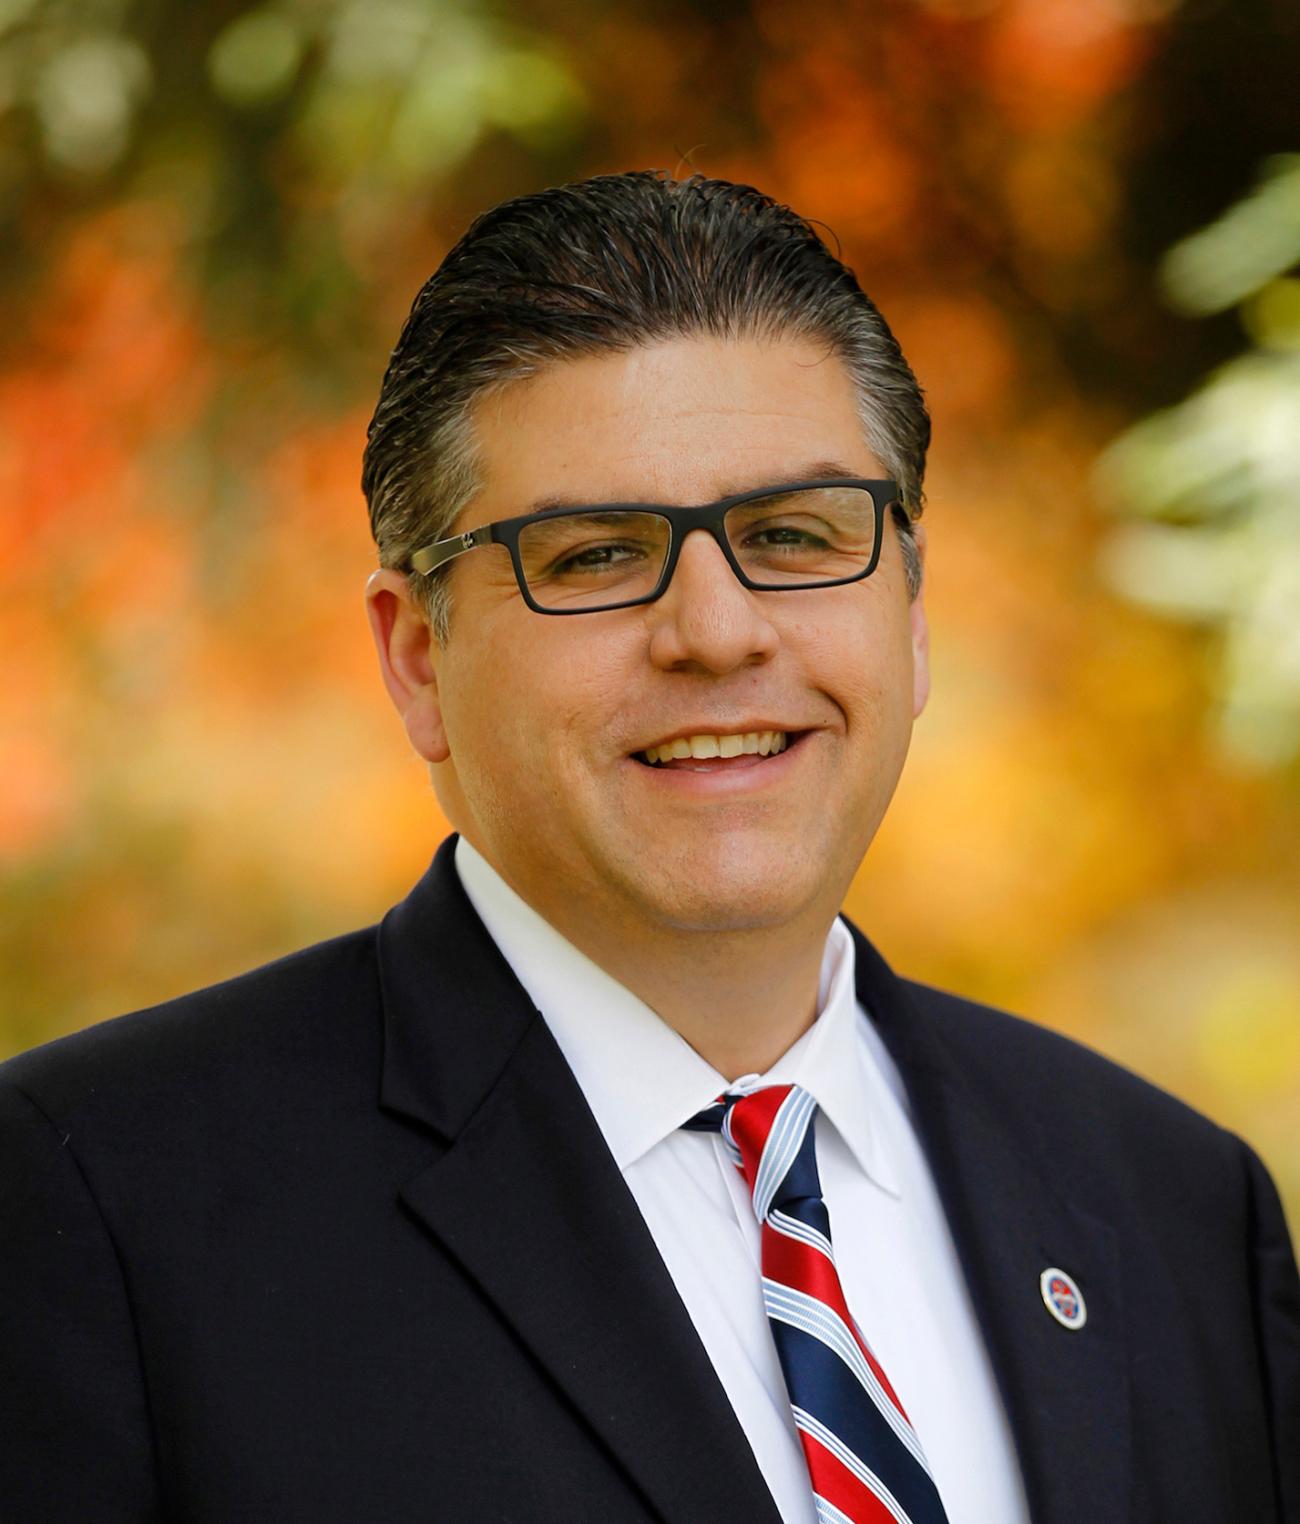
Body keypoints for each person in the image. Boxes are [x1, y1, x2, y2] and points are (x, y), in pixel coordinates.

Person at [2, 171, 1297, 1524]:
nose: (718, 632)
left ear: (912, 613)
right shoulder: (96, 1212)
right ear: (418, 656)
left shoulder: (1174, 1210)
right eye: (598, 557)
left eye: (794, 536)